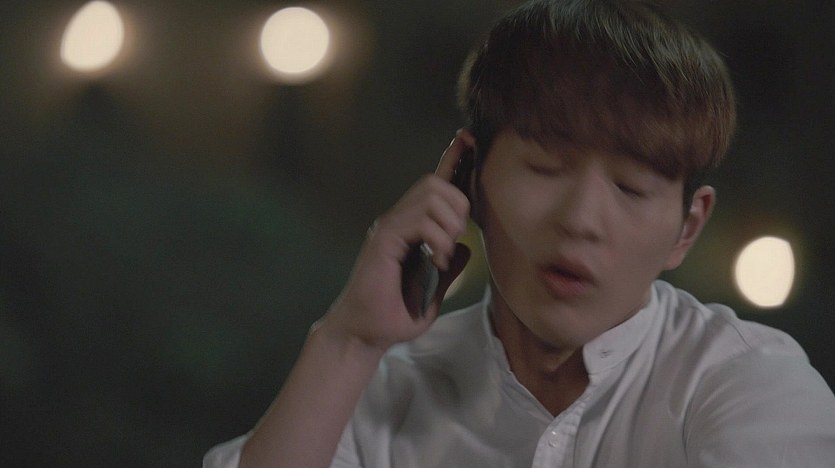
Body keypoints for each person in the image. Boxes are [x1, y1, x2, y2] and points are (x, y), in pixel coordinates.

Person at [204, 0, 835, 466]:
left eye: (631, 188)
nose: (580, 220)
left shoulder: (744, 384)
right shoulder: (385, 389)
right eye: (545, 168)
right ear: (468, 177)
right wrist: (348, 340)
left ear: (687, 227)